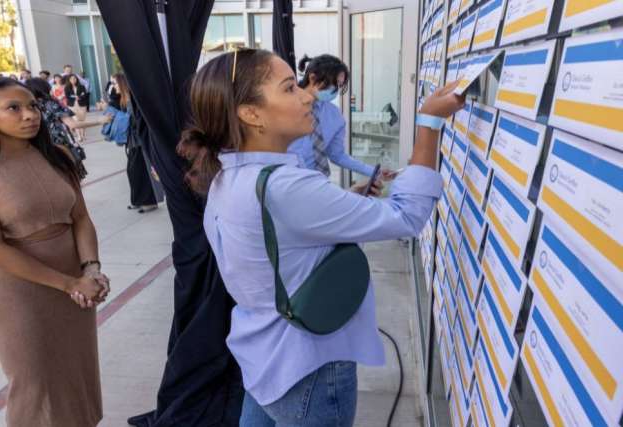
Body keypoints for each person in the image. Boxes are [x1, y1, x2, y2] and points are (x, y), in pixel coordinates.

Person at [177, 49, 464, 426]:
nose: (306, 95)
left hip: (263, 355)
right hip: (307, 365)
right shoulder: (285, 186)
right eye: (290, 88)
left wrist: (345, 202)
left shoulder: (227, 176)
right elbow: (407, 217)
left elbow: (278, 239)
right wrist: (428, 124)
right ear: (252, 114)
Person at [0, 77, 111, 426]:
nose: (30, 115)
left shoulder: (59, 156)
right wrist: (68, 284)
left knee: (75, 370)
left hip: (74, 280)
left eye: (33, 106)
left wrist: (90, 270)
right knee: (34, 380)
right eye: (14, 108)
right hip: (15, 289)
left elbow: (81, 217)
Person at [288, 54, 395, 180]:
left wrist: (374, 172)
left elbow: (337, 155)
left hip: (319, 183)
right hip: (287, 182)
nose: (335, 90)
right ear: (312, 77)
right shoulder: (285, 107)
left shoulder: (334, 116)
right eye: (332, 83)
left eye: (339, 85)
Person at [24, 78, 111, 179]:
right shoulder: (51, 103)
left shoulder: (30, 106)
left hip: (41, 148)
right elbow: (73, 124)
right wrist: (99, 121)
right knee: (72, 181)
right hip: (61, 147)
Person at [112, 73, 162, 213]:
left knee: (140, 171)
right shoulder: (123, 99)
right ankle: (138, 201)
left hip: (139, 141)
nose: (113, 86)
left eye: (115, 83)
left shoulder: (134, 98)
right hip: (133, 141)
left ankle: (149, 202)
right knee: (133, 171)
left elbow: (137, 120)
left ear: (122, 83)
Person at [65, 74, 90, 142]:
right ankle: (79, 136)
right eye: (71, 79)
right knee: (75, 120)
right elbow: (67, 96)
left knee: (82, 120)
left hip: (81, 105)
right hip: (72, 106)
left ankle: (83, 135)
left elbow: (84, 94)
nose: (73, 80)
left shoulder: (81, 86)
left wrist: (79, 97)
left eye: (74, 78)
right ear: (69, 80)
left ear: (77, 79)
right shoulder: (67, 87)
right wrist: (74, 97)